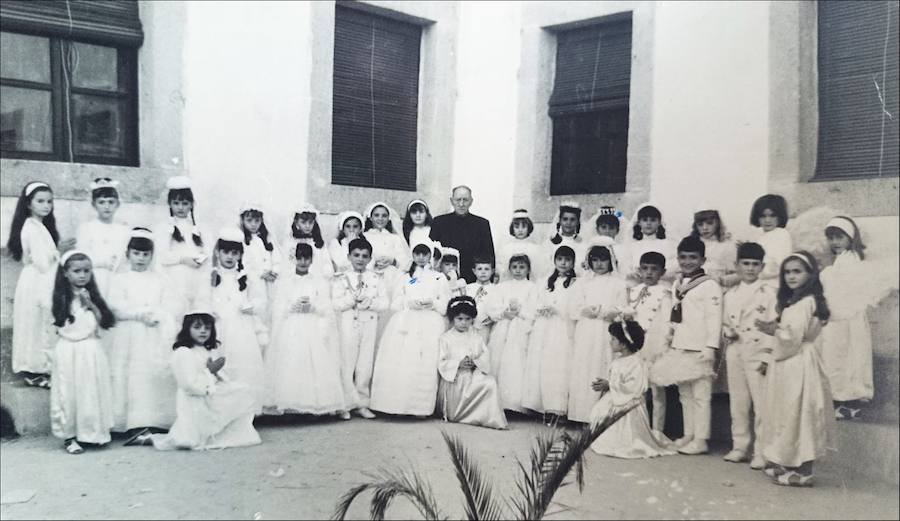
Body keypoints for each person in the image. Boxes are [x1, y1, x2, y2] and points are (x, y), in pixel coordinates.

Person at [127, 311, 261, 450]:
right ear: (187, 330)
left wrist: (216, 374)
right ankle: (149, 438)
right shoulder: (183, 352)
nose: (203, 331)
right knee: (187, 441)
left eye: (207, 328)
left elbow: (210, 376)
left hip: (205, 394)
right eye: (197, 327)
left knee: (242, 390)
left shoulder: (203, 350)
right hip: (193, 401)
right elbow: (188, 384)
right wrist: (210, 373)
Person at [758, 251, 835, 487]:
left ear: (811, 275)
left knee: (800, 413)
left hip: (799, 363)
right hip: (789, 364)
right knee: (787, 413)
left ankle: (804, 470)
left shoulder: (806, 302)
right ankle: (788, 462)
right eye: (787, 272)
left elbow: (793, 338)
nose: (791, 276)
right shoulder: (793, 301)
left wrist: (773, 331)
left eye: (797, 271)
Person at [650, 236, 722, 456]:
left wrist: (711, 346)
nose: (688, 262)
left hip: (700, 347)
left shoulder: (709, 285)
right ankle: (689, 434)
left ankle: (701, 439)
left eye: (693, 258)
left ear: (703, 259)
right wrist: (669, 337)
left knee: (701, 396)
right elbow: (675, 314)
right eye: (683, 257)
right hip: (681, 344)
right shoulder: (677, 284)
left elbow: (714, 317)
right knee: (685, 395)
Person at [106, 228, 178, 437]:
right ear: (128, 253)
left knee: (151, 375)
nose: (141, 258)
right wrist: (139, 315)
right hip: (130, 332)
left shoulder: (159, 280)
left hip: (153, 333)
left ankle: (153, 419)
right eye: (136, 253)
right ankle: (129, 421)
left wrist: (159, 314)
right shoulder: (120, 279)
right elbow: (116, 307)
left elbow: (171, 302)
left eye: (145, 254)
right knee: (131, 375)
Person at [265, 243, 348, 419]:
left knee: (313, 361)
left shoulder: (318, 281)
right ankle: (291, 404)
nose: (303, 261)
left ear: (312, 259)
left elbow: (325, 305)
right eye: (299, 257)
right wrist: (292, 307)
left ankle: (313, 404)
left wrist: (313, 307)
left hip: (312, 324)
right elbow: (279, 305)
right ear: (294, 259)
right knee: (292, 360)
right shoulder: (285, 281)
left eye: (307, 258)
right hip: (292, 326)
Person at [369, 241, 449, 417]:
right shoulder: (405, 277)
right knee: (404, 361)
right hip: (406, 321)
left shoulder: (439, 277)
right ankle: (397, 405)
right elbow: (395, 302)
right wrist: (408, 302)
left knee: (425, 362)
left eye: (425, 254)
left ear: (431, 256)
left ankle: (420, 408)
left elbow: (445, 304)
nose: (421, 258)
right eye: (418, 254)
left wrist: (433, 303)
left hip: (430, 323)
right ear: (413, 256)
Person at [50, 250, 116, 454]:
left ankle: (93, 434)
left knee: (90, 391)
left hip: (90, 349)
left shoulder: (92, 296)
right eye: (77, 271)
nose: (82, 275)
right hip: (69, 350)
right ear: (66, 273)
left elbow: (105, 322)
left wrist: (91, 305)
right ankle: (70, 436)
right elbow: (61, 325)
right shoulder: (60, 298)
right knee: (68, 393)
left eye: (87, 271)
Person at [197, 227, 268, 414]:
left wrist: (250, 306)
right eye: (225, 252)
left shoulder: (245, 277)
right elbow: (202, 299)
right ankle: (220, 408)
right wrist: (210, 312)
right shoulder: (211, 276)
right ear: (218, 252)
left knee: (242, 364)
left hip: (241, 326)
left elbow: (260, 300)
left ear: (240, 255)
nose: (229, 257)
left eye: (234, 253)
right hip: (219, 326)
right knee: (220, 363)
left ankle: (245, 409)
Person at [7, 181, 70, 388]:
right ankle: (33, 370)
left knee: (42, 322)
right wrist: (59, 250)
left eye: (49, 201)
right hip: (35, 281)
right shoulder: (30, 227)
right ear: (28, 204)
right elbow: (43, 262)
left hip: (43, 280)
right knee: (34, 324)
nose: (46, 206)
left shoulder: (41, 227)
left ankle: (44, 367)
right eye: (40, 201)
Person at [721, 242, 777, 469]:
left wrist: (766, 357)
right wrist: (728, 332)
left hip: (758, 351)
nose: (750, 269)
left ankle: (762, 451)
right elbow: (725, 322)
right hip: (736, 350)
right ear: (737, 265)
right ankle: (740, 445)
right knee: (738, 400)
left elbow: (774, 326)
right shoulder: (731, 293)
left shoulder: (769, 293)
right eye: (746, 264)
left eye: (755, 264)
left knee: (761, 403)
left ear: (762, 266)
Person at [588, 320, 676, 459]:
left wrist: (610, 385)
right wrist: (608, 385)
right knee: (600, 414)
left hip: (629, 403)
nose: (610, 342)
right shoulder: (617, 361)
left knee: (623, 431)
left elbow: (635, 387)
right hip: (616, 398)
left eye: (613, 339)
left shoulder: (636, 363)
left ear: (623, 344)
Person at [820, 216, 874, 420]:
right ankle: (840, 401)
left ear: (850, 238)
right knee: (839, 359)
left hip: (845, 318)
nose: (835, 242)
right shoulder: (841, 260)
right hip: (839, 318)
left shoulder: (851, 261)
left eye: (839, 237)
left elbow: (843, 290)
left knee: (845, 359)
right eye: (831, 238)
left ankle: (844, 401)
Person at [567, 245, 627, 423]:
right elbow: (573, 308)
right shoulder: (582, 283)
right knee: (584, 366)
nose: (599, 264)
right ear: (589, 262)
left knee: (603, 363)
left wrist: (607, 312)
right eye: (595, 260)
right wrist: (586, 310)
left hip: (606, 330)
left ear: (611, 261)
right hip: (586, 329)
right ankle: (581, 414)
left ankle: (601, 416)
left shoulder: (618, 284)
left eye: (603, 260)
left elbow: (622, 307)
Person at [332, 237, 388, 419]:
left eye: (365, 256)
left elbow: (385, 303)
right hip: (349, 321)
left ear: (370, 258)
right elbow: (335, 302)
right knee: (347, 362)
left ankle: (362, 403)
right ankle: (346, 404)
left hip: (369, 321)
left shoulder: (376, 278)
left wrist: (369, 302)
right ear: (348, 256)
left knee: (365, 364)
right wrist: (351, 300)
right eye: (356, 255)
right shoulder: (341, 278)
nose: (360, 259)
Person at [522, 246, 578, 423]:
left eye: (568, 260)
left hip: (561, 327)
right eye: (560, 259)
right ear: (554, 260)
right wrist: (541, 309)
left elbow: (575, 306)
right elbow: (534, 301)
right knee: (541, 363)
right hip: (543, 326)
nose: (563, 263)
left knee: (558, 365)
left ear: (573, 262)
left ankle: (558, 408)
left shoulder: (576, 283)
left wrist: (558, 310)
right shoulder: (544, 281)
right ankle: (541, 406)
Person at [437, 296, 508, 430]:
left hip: (473, 373)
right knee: (464, 386)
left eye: (468, 319)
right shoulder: (446, 338)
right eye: (460, 319)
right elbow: (442, 361)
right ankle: (461, 413)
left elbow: (484, 356)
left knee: (490, 383)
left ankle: (489, 418)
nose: (464, 323)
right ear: (453, 319)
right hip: (455, 378)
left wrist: (475, 362)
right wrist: (457, 364)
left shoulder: (476, 337)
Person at [620, 252, 671, 431]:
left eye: (654, 269)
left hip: (654, 345)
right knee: (635, 389)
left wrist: (663, 347)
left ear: (662, 272)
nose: (649, 273)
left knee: (657, 392)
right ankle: (636, 429)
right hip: (635, 346)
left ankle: (657, 431)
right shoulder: (633, 291)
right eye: (645, 268)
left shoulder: (665, 293)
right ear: (639, 270)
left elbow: (666, 321)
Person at [486, 253, 539, 413]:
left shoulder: (532, 287)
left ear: (528, 269)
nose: (518, 270)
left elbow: (535, 308)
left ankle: (516, 404)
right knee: (499, 361)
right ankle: (499, 403)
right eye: (514, 267)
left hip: (521, 328)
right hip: (503, 326)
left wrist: (521, 312)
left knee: (517, 362)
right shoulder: (502, 287)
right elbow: (492, 306)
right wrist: (504, 312)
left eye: (522, 267)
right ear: (509, 269)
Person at [154, 176, 211, 317]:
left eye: (185, 203)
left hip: (196, 277)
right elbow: (161, 255)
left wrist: (201, 259)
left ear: (191, 205)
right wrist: (183, 259)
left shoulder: (199, 229)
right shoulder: (164, 228)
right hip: (174, 278)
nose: (180, 207)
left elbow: (208, 251)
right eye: (176, 203)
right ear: (170, 204)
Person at [429, 185, 495, 284]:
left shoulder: (482, 224)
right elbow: (432, 253)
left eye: (465, 200)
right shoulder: (439, 222)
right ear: (452, 201)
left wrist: (488, 280)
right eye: (458, 200)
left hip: (472, 278)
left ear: (471, 201)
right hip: (444, 278)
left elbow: (488, 254)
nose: (461, 204)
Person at [75, 177, 129, 296]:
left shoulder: (124, 230)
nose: (106, 206)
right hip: (96, 276)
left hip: (117, 277)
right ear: (94, 204)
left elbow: (126, 257)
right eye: (101, 202)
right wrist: (103, 262)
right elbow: (82, 256)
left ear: (117, 204)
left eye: (111, 202)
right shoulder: (87, 228)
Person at [239, 203, 282, 324]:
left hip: (270, 282)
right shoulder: (243, 240)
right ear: (243, 220)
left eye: (257, 220)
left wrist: (275, 271)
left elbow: (276, 257)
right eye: (249, 220)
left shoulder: (267, 239)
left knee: (270, 310)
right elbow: (243, 263)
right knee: (257, 309)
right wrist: (260, 273)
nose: (253, 224)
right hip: (253, 282)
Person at [623, 203, 676, 284]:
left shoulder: (667, 245)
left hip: (662, 284)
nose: (648, 223)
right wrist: (634, 273)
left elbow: (673, 266)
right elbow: (625, 264)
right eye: (645, 220)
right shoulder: (633, 246)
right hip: (637, 284)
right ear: (639, 223)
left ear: (659, 222)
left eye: (653, 220)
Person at [749, 194, 792, 290]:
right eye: (763, 216)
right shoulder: (759, 235)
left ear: (780, 216)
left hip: (773, 285)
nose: (767, 220)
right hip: (757, 282)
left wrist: (752, 272)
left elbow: (777, 267)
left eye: (772, 216)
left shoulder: (781, 234)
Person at [690, 204, 738, 288]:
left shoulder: (727, 245)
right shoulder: (691, 244)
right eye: (700, 224)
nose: (705, 228)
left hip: (719, 288)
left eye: (709, 223)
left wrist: (721, 280)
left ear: (717, 223)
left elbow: (735, 274)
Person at [284, 204, 334, 280]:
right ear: (296, 223)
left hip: (316, 280)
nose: (307, 226)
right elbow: (286, 264)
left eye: (311, 222)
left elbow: (326, 263)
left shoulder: (317, 242)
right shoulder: (290, 243)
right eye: (303, 222)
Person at [496, 209, 542, 281]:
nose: (520, 230)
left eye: (524, 227)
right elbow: (502, 271)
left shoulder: (536, 249)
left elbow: (538, 272)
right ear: (512, 228)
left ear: (528, 227)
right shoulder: (506, 249)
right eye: (517, 227)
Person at [545, 202, 588, 277]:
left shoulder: (583, 244)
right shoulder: (551, 243)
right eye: (565, 219)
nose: (568, 222)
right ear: (560, 221)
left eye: (572, 220)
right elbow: (546, 265)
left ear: (577, 222)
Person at [465, 257, 497, 343]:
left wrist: (492, 318)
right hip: (470, 325)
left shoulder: (496, 289)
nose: (483, 272)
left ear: (492, 271)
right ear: (474, 271)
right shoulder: (468, 288)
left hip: (487, 325)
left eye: (486, 269)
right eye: (479, 269)